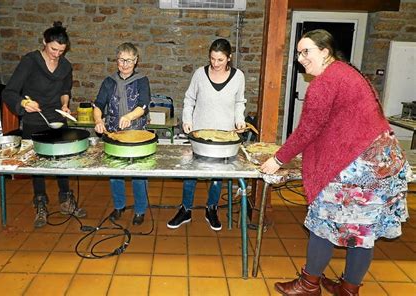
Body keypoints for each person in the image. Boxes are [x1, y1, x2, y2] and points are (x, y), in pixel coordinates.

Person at [261, 29, 410, 296]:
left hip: (361, 166)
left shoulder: (325, 82)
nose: (301, 58)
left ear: (325, 52)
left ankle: (309, 285)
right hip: (383, 162)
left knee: (322, 221)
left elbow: (308, 130)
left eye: (306, 51)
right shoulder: (346, 72)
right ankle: (348, 288)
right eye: (298, 53)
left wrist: (278, 159)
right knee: (362, 231)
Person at [2, 21, 87, 228]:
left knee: (64, 160)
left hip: (57, 118)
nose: (56, 54)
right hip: (34, 119)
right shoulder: (30, 61)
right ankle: (40, 203)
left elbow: (65, 89)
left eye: (61, 51)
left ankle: (66, 199)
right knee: (37, 164)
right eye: (53, 49)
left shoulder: (65, 66)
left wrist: (65, 105)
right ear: (44, 42)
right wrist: (24, 103)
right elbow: (9, 91)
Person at [167, 38, 246, 231]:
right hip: (199, 133)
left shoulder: (238, 77)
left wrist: (239, 119)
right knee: (191, 172)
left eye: (220, 60)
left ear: (229, 58)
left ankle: (212, 208)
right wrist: (187, 119)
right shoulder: (199, 75)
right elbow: (189, 98)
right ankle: (185, 209)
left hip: (224, 136)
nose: (215, 63)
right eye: (212, 59)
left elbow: (239, 102)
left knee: (218, 174)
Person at [93, 42, 151, 226]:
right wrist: (98, 120)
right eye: (121, 60)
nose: (124, 64)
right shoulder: (109, 81)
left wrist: (129, 116)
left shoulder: (142, 80)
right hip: (114, 134)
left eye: (129, 61)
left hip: (136, 134)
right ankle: (119, 206)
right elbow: (98, 105)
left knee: (138, 173)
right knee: (115, 172)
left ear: (136, 61)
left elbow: (143, 105)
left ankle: (140, 210)